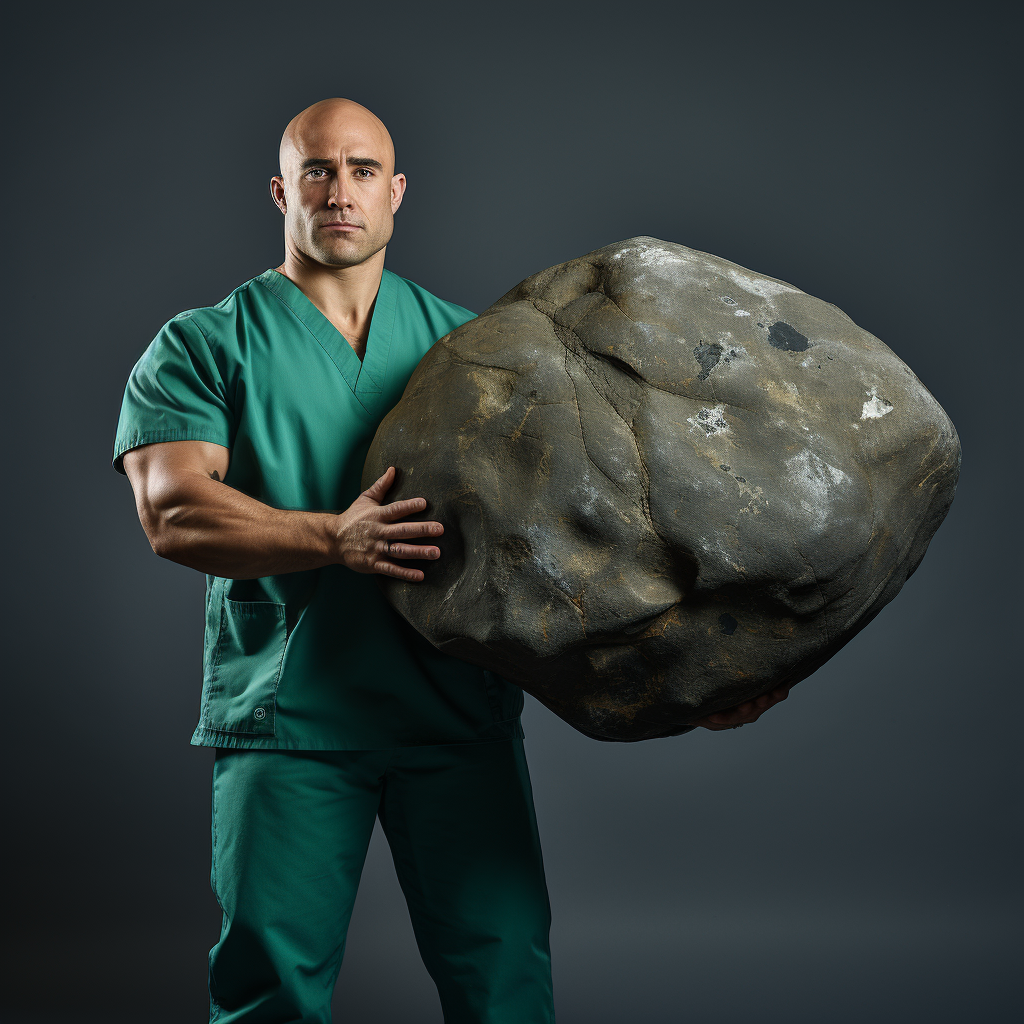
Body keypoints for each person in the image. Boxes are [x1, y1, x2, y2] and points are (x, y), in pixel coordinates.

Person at [113, 97, 791, 1024]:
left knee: (505, 980)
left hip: (455, 723)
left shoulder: (480, 352)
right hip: (293, 726)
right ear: (281, 191)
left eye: (361, 171)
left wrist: (698, 679)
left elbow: (571, 551)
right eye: (317, 170)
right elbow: (174, 510)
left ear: (396, 194)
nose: (339, 191)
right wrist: (331, 538)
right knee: (271, 990)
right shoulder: (203, 345)